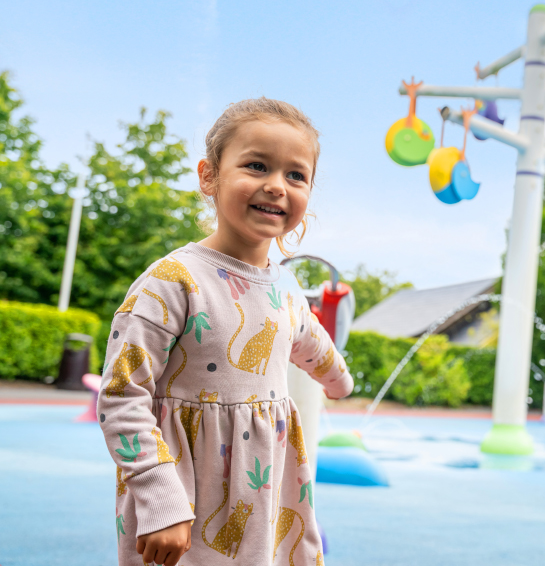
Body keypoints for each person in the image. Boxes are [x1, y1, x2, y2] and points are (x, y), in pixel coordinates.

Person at [97, 98, 353, 566]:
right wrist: (161, 500)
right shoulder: (173, 280)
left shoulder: (286, 287)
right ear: (209, 176)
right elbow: (120, 393)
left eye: (296, 175)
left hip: (267, 494)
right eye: (257, 166)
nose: (276, 186)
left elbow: (310, 340)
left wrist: (339, 381)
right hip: (185, 495)